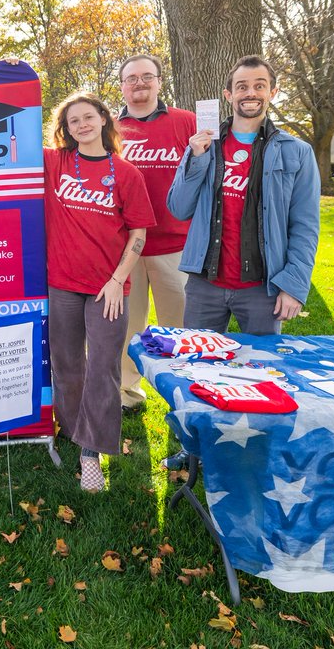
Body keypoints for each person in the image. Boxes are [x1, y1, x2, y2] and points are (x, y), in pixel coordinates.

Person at [43, 93, 155, 492]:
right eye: (73, 121)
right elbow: (12, 137)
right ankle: (74, 431)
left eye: (88, 117)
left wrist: (116, 280)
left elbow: (138, 233)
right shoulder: (54, 163)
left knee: (105, 364)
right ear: (66, 129)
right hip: (62, 284)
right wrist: (11, 74)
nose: (82, 125)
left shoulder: (126, 174)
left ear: (104, 119)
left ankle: (92, 453)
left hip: (109, 287)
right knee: (67, 363)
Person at [167, 56, 320, 336]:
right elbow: (178, 208)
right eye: (242, 86)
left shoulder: (297, 152)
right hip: (205, 284)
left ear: (272, 93)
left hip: (263, 287)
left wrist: (293, 285)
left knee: (263, 371)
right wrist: (196, 159)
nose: (250, 93)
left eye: (259, 86)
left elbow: (305, 226)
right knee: (199, 369)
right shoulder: (204, 146)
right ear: (229, 95)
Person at [114, 54, 196, 413]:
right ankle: (126, 392)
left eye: (147, 77)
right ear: (122, 86)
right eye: (131, 79)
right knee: (127, 326)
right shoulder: (109, 130)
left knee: (177, 327)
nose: (140, 84)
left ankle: (184, 392)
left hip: (174, 244)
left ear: (160, 82)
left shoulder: (185, 123)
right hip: (125, 247)